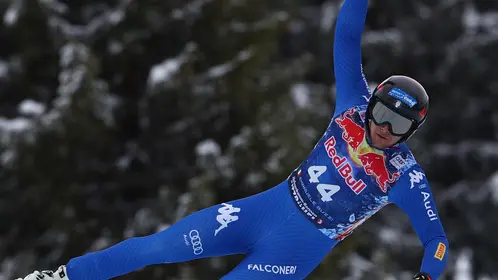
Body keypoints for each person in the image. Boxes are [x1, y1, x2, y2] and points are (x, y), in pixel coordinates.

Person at [16, 0, 449, 279]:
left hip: (297, 248)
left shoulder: (402, 175)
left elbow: (437, 241)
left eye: (398, 126)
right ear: (372, 101)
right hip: (266, 207)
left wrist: (428, 277)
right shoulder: (351, 106)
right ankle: (60, 278)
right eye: (382, 113)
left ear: (412, 132)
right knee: (158, 246)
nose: (383, 128)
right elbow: (347, 36)